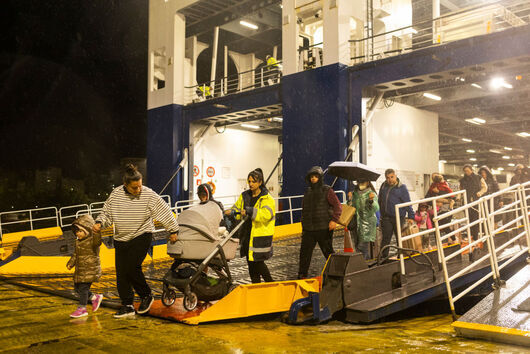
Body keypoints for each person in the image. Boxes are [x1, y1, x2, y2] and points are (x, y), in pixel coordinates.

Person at [93, 164, 179, 318]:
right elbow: (106, 213)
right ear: (125, 185)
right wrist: (100, 223)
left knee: (132, 268)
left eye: (140, 185)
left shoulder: (148, 195)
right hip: (120, 238)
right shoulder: (116, 195)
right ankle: (127, 305)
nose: (138, 190)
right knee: (121, 273)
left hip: (142, 234)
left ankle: (146, 295)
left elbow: (164, 210)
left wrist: (173, 229)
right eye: (134, 187)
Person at [226, 168, 275, 283]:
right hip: (247, 234)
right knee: (251, 263)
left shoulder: (267, 198)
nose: (251, 184)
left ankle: (271, 283)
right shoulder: (244, 196)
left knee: (258, 263)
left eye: (253, 181)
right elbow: (237, 208)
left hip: (259, 236)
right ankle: (255, 286)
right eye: (249, 181)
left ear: (260, 182)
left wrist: (250, 211)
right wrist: (232, 212)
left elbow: (266, 215)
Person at [298, 166, 342, 279]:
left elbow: (338, 206)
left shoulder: (327, 190)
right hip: (309, 230)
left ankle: (337, 274)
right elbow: (304, 209)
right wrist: (303, 224)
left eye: (315, 177)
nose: (313, 179)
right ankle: (302, 276)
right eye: (311, 177)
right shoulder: (307, 192)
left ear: (320, 178)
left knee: (328, 253)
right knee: (304, 255)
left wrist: (334, 220)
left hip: (324, 228)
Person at [67, 214, 104, 318]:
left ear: (87, 230)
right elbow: (75, 255)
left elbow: (98, 241)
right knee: (77, 288)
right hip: (80, 270)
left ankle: (82, 308)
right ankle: (94, 297)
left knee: (83, 289)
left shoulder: (92, 241)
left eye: (79, 231)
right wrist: (70, 263)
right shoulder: (78, 242)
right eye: (76, 232)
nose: (77, 234)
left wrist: (96, 232)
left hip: (90, 270)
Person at [378, 169, 415, 258]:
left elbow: (407, 202)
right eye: (387, 178)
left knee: (400, 238)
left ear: (396, 176)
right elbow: (380, 201)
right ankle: (383, 258)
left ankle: (401, 257)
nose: (389, 179)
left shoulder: (402, 188)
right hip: (386, 217)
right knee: (386, 238)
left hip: (399, 217)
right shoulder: (383, 186)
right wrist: (380, 214)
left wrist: (411, 216)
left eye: (392, 177)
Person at [349, 180, 379, 259]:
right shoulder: (355, 193)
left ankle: (363, 265)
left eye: (363, 182)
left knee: (362, 247)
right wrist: (350, 199)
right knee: (357, 246)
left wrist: (371, 200)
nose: (361, 184)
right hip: (356, 223)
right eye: (360, 182)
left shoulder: (371, 193)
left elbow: (376, 208)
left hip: (367, 224)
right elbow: (351, 207)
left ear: (367, 182)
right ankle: (366, 264)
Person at [459, 164, 487, 241]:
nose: (466, 172)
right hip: (466, 201)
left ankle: (475, 237)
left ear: (471, 170)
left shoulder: (478, 177)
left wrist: (480, 193)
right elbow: (460, 190)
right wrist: (458, 197)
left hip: (476, 200)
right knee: (468, 219)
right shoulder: (462, 180)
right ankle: (471, 236)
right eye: (465, 171)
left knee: (475, 219)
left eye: (467, 170)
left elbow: (485, 187)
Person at [425, 173, 455, 242]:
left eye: (435, 177)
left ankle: (453, 239)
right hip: (436, 208)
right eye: (433, 178)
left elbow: (452, 196)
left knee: (444, 225)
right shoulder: (432, 186)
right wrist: (435, 201)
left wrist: (439, 193)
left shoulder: (445, 185)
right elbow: (427, 198)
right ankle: (438, 242)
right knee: (437, 225)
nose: (434, 179)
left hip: (446, 209)